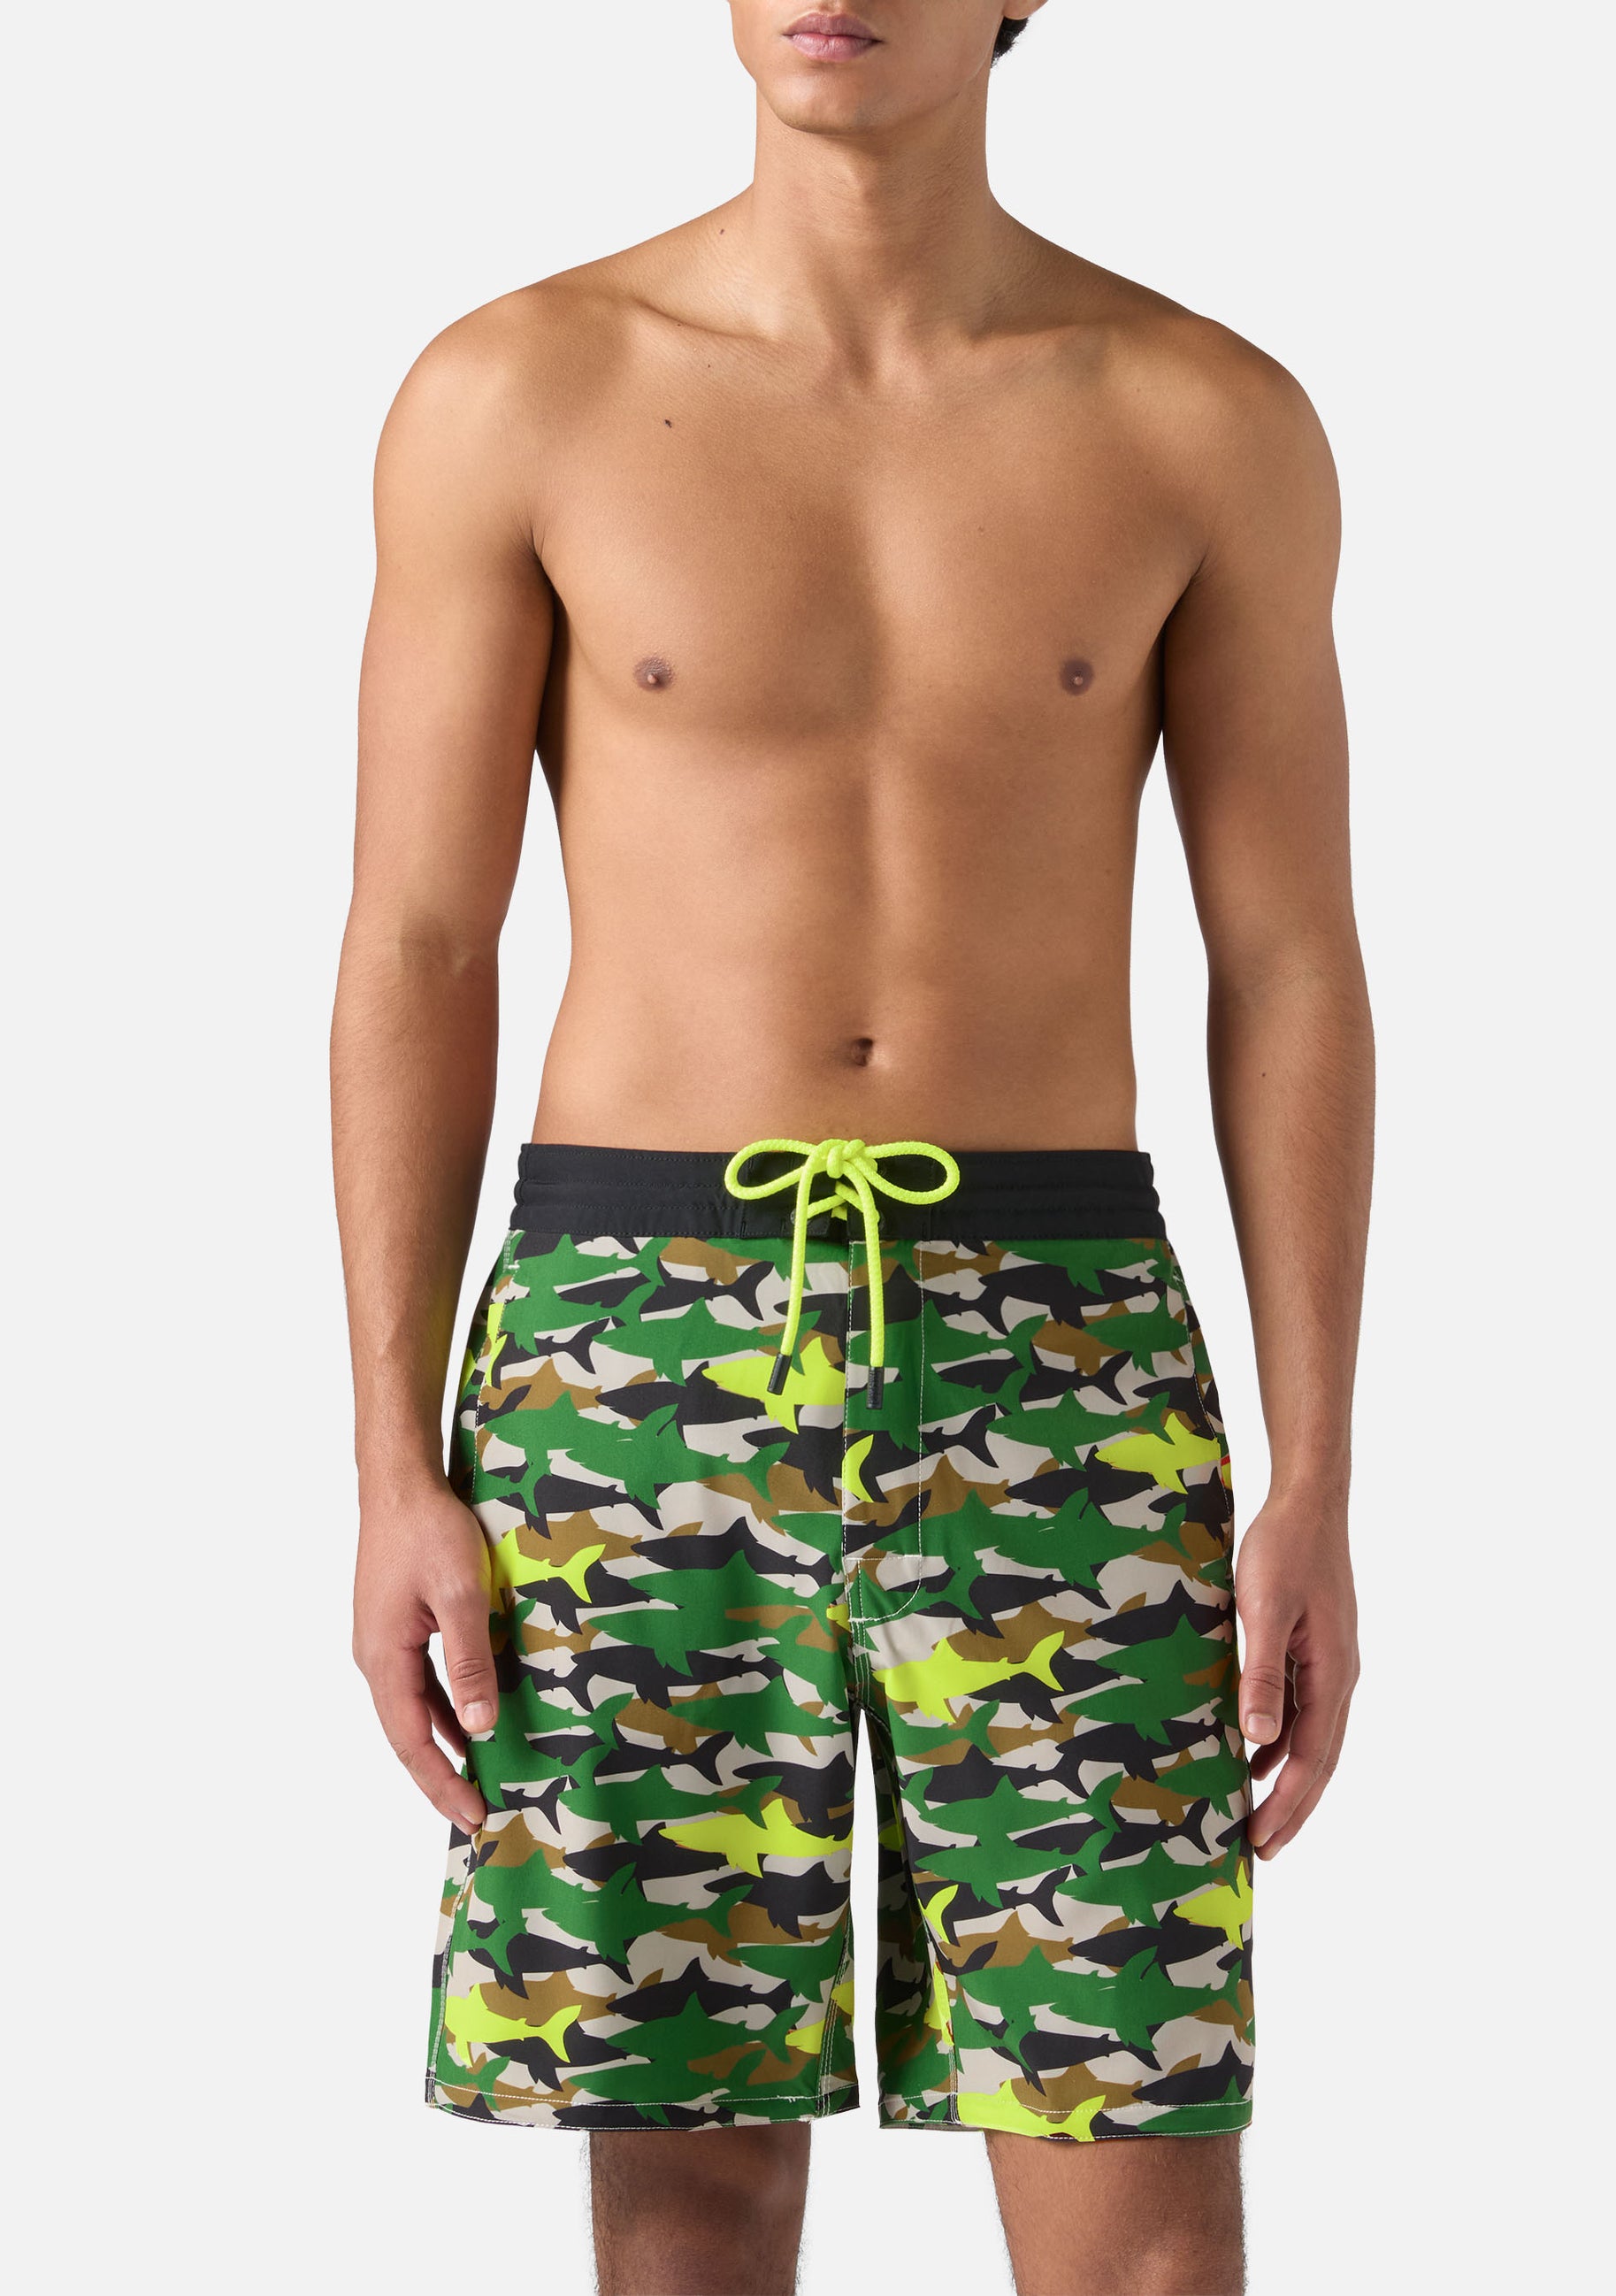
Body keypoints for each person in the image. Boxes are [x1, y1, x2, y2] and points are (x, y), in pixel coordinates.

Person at [331, 6, 1370, 2291]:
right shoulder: (522, 390)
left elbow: (1287, 956)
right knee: (689, 2199)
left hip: (1062, 1346)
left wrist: (1314, 1468)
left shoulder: (1198, 417)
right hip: (634, 1341)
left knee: (1140, 2206)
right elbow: (418, 940)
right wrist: (393, 1460)